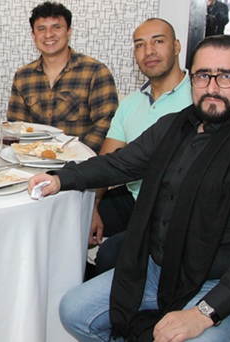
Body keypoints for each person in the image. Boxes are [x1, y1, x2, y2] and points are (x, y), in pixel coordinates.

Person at [30, 35, 230, 341]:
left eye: (226, 76)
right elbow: (119, 163)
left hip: (228, 284)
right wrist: (60, 178)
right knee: (74, 312)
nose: (211, 88)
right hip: (162, 269)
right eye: (202, 76)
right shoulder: (175, 126)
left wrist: (201, 314)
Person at [88, 18, 192, 276]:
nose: (149, 51)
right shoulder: (130, 103)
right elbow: (107, 162)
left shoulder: (197, 97)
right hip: (136, 197)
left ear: (176, 46)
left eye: (158, 41)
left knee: (110, 255)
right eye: (140, 45)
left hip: (176, 211)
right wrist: (92, 208)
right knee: (71, 221)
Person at [6, 1, 118, 153]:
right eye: (41, 29)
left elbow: (106, 123)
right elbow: (16, 126)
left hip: (80, 161)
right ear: (33, 35)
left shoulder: (95, 72)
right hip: (32, 159)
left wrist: (75, 156)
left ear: (69, 31)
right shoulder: (23, 76)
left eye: (56, 27)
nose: (48, 34)